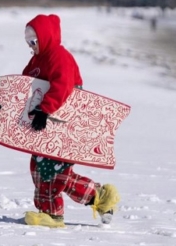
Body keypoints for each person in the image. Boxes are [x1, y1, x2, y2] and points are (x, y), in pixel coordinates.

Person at [22, 14, 120, 228]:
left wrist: (44, 109)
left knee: (53, 171)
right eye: (28, 41)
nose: (31, 45)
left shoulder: (59, 56)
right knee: (40, 169)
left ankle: (52, 215)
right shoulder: (37, 60)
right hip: (43, 125)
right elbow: (26, 82)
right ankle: (100, 197)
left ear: (45, 37)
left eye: (34, 41)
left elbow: (63, 86)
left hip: (63, 125)